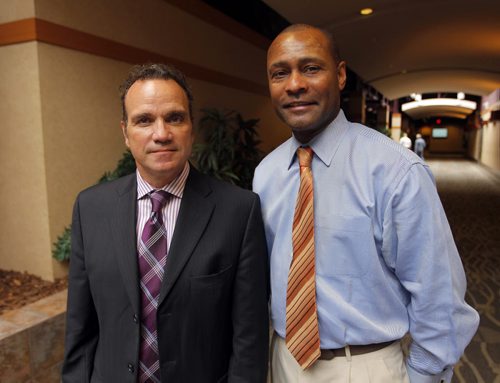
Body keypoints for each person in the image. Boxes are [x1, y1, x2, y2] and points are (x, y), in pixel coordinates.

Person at [253, 24, 479, 383]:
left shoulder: (395, 170)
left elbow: (438, 294)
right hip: (284, 361)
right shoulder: (266, 174)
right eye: (280, 73)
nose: (294, 84)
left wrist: (423, 375)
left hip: (364, 367)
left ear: (340, 75)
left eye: (311, 68)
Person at [62, 63, 269, 382]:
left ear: (191, 127)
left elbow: (249, 339)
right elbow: (80, 329)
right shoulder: (91, 209)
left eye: (174, 118)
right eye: (144, 120)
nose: (161, 134)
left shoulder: (238, 211)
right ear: (125, 133)